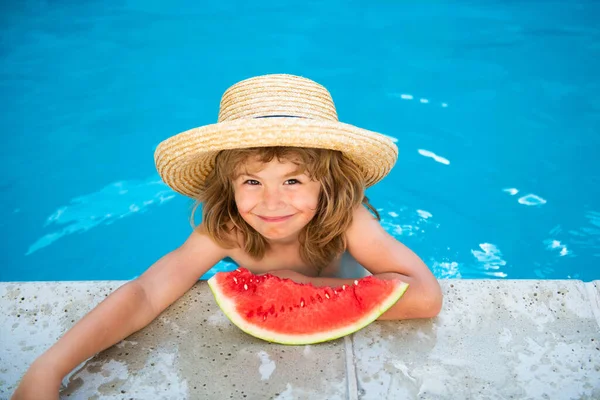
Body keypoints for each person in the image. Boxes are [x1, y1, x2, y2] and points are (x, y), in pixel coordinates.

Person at [12, 74, 442, 399]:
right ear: (228, 187)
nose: (272, 203)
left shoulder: (347, 219)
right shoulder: (227, 230)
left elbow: (424, 297)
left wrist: (302, 289)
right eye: (251, 182)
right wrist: (49, 367)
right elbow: (145, 293)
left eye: (293, 182)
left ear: (327, 186)